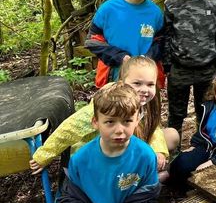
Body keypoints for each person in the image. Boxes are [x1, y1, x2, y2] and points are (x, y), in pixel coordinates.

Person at [30, 57, 177, 181]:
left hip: (122, 149)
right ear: (122, 81)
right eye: (137, 83)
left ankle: (142, 175)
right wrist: (44, 155)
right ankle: (136, 181)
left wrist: (159, 150)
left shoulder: (145, 103)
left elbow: (152, 127)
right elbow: (69, 128)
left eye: (150, 84)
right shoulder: (109, 101)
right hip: (97, 158)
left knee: (170, 136)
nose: (144, 90)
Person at [50, 83, 160, 203]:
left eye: (127, 121)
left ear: (137, 119)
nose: (119, 130)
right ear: (95, 122)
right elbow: (69, 198)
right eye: (110, 122)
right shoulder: (80, 159)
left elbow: (145, 202)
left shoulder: (145, 157)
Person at [164, 0, 216, 135]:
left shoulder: (215, 2)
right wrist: (168, 66)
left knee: (205, 110)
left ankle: (203, 146)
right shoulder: (171, 4)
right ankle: (172, 151)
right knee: (176, 113)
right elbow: (167, 36)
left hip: (207, 68)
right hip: (179, 68)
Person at [85, 0, 164, 87]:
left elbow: (161, 41)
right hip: (114, 75)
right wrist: (120, 57)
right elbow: (92, 41)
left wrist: (148, 57)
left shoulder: (155, 12)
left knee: (147, 108)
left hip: (146, 78)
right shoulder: (108, 9)